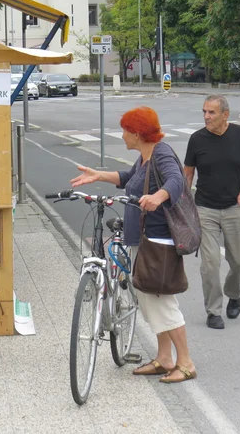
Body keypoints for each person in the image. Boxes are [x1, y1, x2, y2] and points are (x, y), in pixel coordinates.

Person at [71, 106, 197, 384]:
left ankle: (185, 362)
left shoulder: (161, 154)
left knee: (160, 301)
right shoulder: (145, 156)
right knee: (150, 299)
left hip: (157, 241)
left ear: (138, 134)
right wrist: (99, 175)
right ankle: (165, 358)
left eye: (125, 130)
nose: (122, 135)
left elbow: (177, 181)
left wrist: (159, 197)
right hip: (143, 239)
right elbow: (130, 180)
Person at [183, 95, 240, 330]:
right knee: (210, 264)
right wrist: (183, 204)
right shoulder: (196, 139)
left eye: (211, 112)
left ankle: (234, 294)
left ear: (225, 115)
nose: (206, 116)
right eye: (204, 111)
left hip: (235, 207)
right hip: (205, 209)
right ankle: (213, 311)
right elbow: (188, 174)